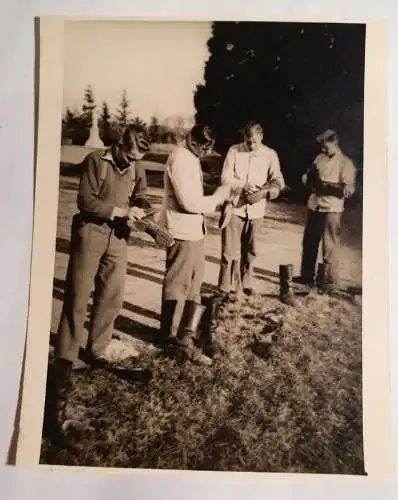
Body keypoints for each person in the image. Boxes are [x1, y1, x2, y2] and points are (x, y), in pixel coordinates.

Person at [50, 123, 152, 435]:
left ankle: (98, 348)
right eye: (128, 157)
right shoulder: (96, 161)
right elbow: (86, 201)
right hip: (90, 233)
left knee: (111, 297)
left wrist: (141, 209)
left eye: (136, 159)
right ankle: (64, 364)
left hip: (118, 239)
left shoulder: (136, 166)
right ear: (119, 145)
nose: (130, 163)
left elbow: (144, 196)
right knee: (77, 300)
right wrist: (121, 210)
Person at [158, 125, 232, 365]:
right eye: (203, 147)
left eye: (208, 148)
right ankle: (169, 338)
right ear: (192, 141)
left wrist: (217, 192)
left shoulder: (190, 158)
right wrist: (218, 198)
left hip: (194, 231)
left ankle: (186, 334)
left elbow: (196, 192)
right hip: (180, 230)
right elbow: (189, 202)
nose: (205, 151)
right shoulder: (179, 158)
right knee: (177, 284)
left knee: (194, 285)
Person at [217, 121, 285, 298]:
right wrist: (242, 186)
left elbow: (278, 181)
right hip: (234, 207)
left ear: (261, 136)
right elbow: (225, 178)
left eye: (254, 141)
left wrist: (263, 194)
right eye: (248, 141)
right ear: (244, 138)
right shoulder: (234, 151)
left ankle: (246, 283)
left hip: (256, 210)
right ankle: (225, 287)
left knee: (250, 250)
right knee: (229, 250)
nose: (251, 145)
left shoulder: (270, 154)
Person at [296, 129, 356, 293]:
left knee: (329, 245)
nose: (323, 148)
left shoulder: (345, 163)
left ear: (334, 143)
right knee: (309, 242)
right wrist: (308, 179)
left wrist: (326, 186)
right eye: (322, 145)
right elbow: (309, 177)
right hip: (315, 205)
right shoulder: (320, 158)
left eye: (325, 145)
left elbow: (348, 190)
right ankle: (307, 276)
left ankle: (329, 280)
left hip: (331, 208)